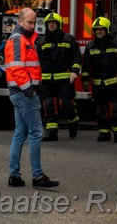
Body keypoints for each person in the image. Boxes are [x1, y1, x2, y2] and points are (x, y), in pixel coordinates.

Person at [6, 8, 59, 189]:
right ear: (20, 21)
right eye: (29, 23)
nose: (33, 26)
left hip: (21, 92)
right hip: (24, 93)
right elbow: (16, 68)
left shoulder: (23, 39)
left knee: (20, 133)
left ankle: (15, 176)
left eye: (34, 23)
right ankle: (37, 177)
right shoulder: (18, 40)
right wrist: (29, 89)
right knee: (36, 132)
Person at [81, 17, 117, 143]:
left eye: (101, 29)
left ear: (107, 30)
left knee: (116, 109)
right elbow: (86, 65)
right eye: (96, 30)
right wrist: (85, 79)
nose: (99, 31)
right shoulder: (90, 46)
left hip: (114, 83)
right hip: (98, 84)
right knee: (100, 110)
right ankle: (104, 132)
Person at [37, 12, 82, 141]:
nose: (51, 24)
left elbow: (77, 56)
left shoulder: (69, 39)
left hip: (65, 79)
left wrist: (74, 71)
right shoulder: (41, 41)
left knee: (66, 104)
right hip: (47, 80)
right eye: (49, 22)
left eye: (54, 22)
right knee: (49, 105)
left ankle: (73, 121)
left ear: (59, 24)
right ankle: (51, 132)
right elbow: (36, 60)